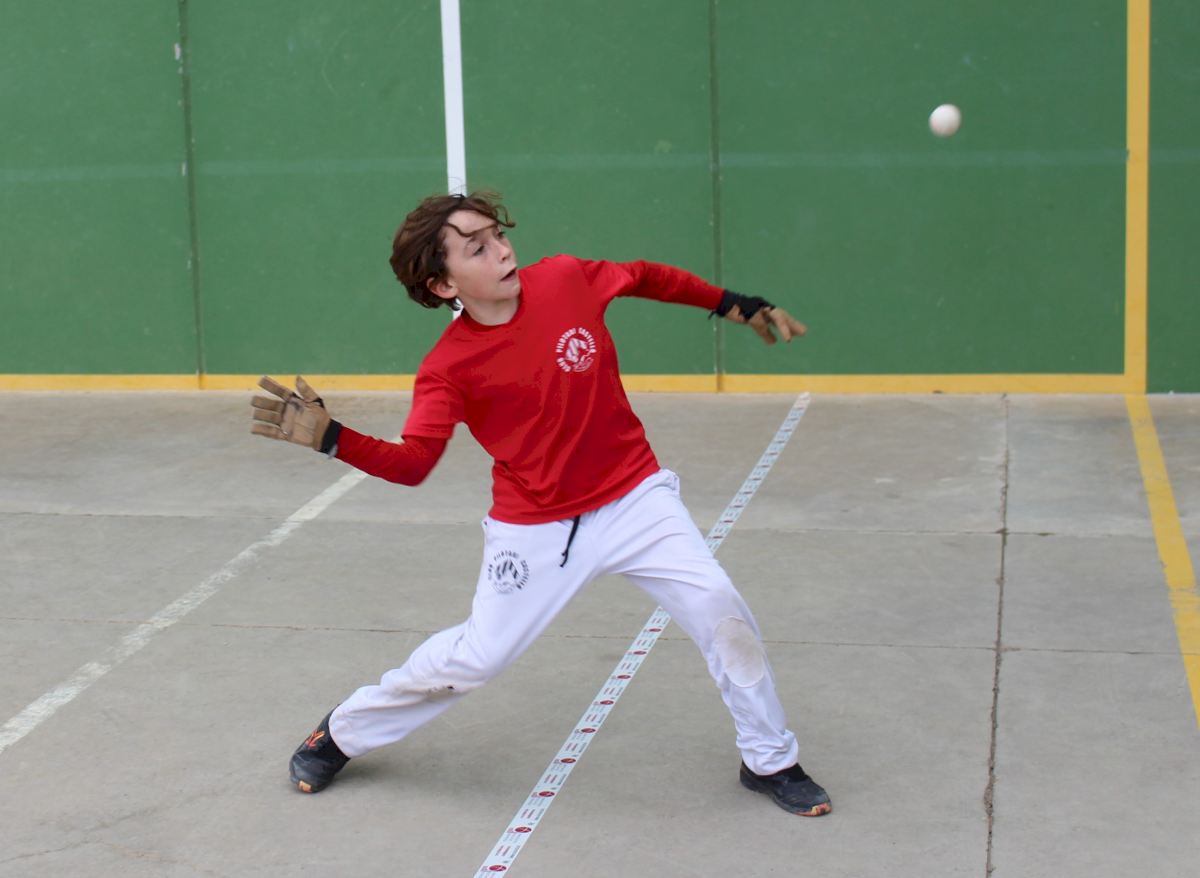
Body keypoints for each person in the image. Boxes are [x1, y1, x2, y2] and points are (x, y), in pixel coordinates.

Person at [249, 191, 831, 816]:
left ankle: (770, 758)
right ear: (443, 284)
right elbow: (414, 464)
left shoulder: (564, 279)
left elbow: (644, 275)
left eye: (497, 236)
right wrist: (334, 438)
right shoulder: (448, 368)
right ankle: (341, 733)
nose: (502, 251)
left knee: (721, 608)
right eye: (477, 248)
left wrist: (730, 302)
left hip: (635, 497)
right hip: (536, 527)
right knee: (477, 659)